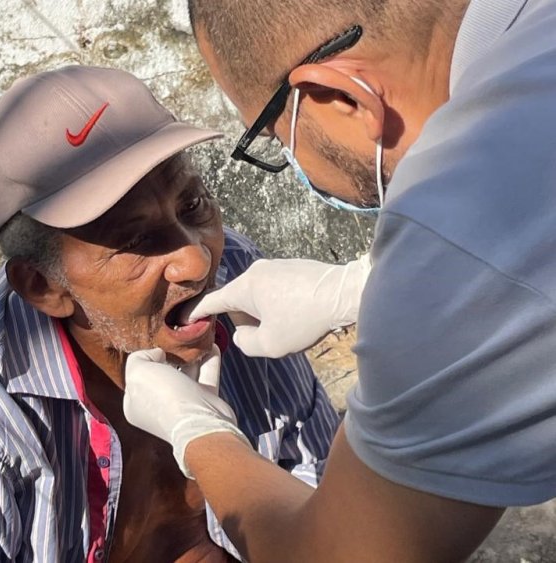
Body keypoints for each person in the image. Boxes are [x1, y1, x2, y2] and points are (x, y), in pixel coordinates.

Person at [122, 0, 556, 561]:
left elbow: (337, 553)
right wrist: (360, 287)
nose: (193, 265)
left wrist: (199, 433)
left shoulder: (462, 207)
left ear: (340, 97)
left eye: (277, 140)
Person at [0, 65, 340, 563]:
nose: (196, 260)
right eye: (137, 241)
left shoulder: (240, 276)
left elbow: (333, 498)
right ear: (43, 286)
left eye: (192, 205)